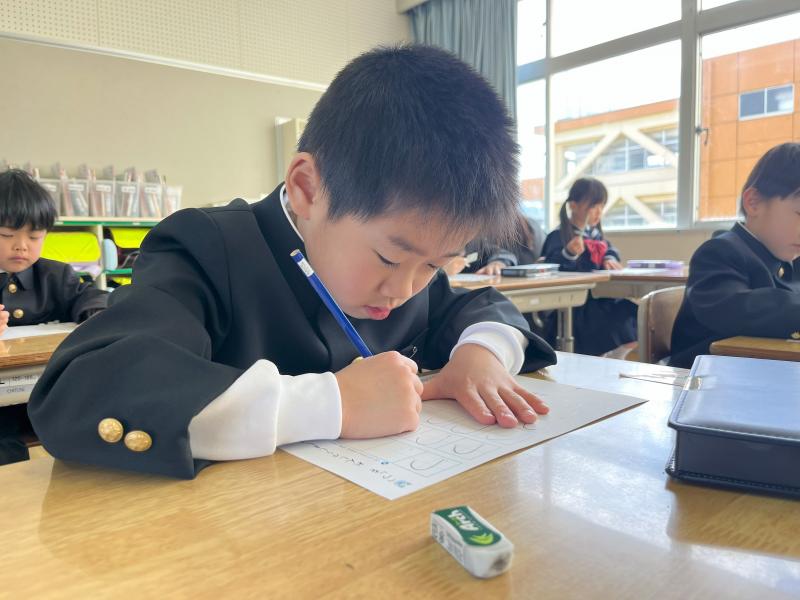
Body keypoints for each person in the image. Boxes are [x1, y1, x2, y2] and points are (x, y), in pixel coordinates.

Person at [28, 45, 557, 479]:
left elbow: (482, 307)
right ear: (307, 188)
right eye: (388, 257)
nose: (404, 291)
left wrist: (481, 356)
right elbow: (87, 389)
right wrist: (333, 403)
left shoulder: (408, 277)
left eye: (435, 266)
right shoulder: (205, 248)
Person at [0, 169, 108, 465]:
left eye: (34, 236)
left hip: (49, 390)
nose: (21, 245)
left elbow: (89, 296)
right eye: (6, 235)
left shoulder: (55, 275)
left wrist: (95, 314)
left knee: (88, 430)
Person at [670, 142, 800, 368]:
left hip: (764, 375)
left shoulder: (791, 258)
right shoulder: (719, 253)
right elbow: (734, 309)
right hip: (705, 379)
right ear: (753, 203)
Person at [540, 177, 637, 356]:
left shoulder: (596, 235)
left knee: (632, 313)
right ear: (573, 206)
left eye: (601, 206)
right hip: (574, 306)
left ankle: (613, 359)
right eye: (593, 207)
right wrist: (568, 253)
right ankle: (604, 359)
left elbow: (610, 249)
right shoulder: (557, 235)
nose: (599, 212)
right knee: (611, 323)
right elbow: (549, 266)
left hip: (598, 299)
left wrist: (608, 257)